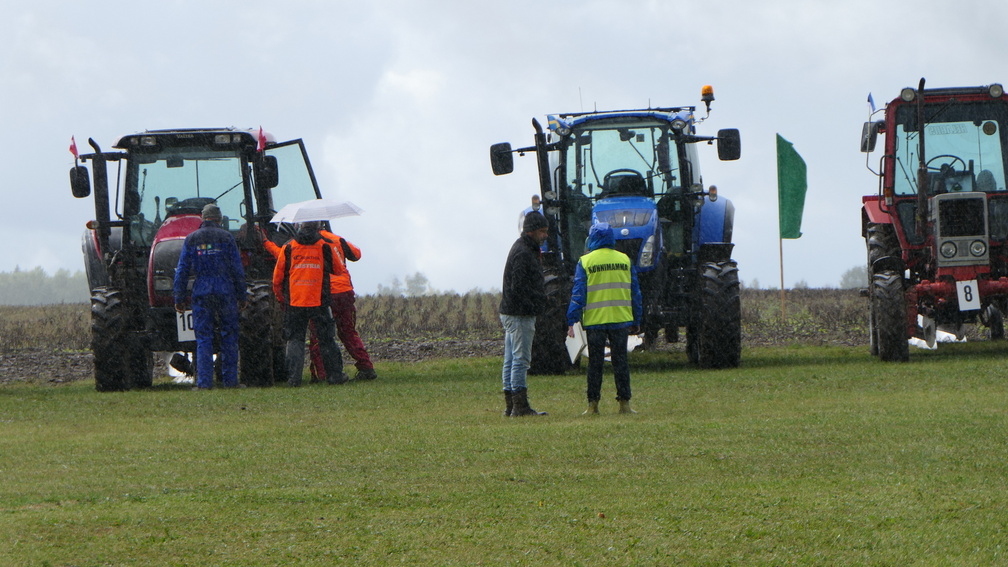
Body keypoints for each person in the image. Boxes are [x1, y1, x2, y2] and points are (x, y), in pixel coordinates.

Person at [262, 226, 377, 382]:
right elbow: (355, 255)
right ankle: (364, 367)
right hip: (343, 292)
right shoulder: (334, 240)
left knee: (309, 338)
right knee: (345, 334)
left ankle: (316, 374)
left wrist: (265, 242)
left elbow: (279, 268)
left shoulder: (293, 245)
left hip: (315, 294)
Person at [566, 222, 642, 414]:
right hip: (620, 319)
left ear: (591, 239)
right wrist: (637, 319)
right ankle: (625, 404)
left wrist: (571, 320)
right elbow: (635, 293)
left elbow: (578, 294)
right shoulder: (625, 260)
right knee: (621, 362)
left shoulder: (585, 262)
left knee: (595, 364)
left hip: (595, 321)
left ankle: (593, 405)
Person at [173, 203, 247, 390]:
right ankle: (230, 381)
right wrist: (242, 295)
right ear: (219, 219)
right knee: (229, 336)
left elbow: (182, 271)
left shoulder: (191, 239)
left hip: (202, 290)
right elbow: (237, 270)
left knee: (203, 337)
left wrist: (179, 297)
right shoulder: (227, 238)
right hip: (225, 290)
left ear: (203, 218)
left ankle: (204, 383)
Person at [272, 221, 348, 387]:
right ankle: (335, 376)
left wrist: (281, 298)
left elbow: (277, 278)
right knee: (326, 340)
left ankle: (294, 379)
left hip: (295, 301)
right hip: (319, 301)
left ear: (300, 226)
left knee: (295, 340)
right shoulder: (325, 246)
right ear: (318, 226)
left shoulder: (289, 247)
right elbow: (338, 269)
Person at [499, 211, 550, 417]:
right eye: (542, 231)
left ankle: (511, 405)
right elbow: (518, 287)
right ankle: (520, 406)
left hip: (511, 311)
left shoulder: (522, 248)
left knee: (510, 359)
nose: (545, 235)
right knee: (521, 360)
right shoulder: (524, 253)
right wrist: (536, 303)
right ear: (531, 231)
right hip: (519, 314)